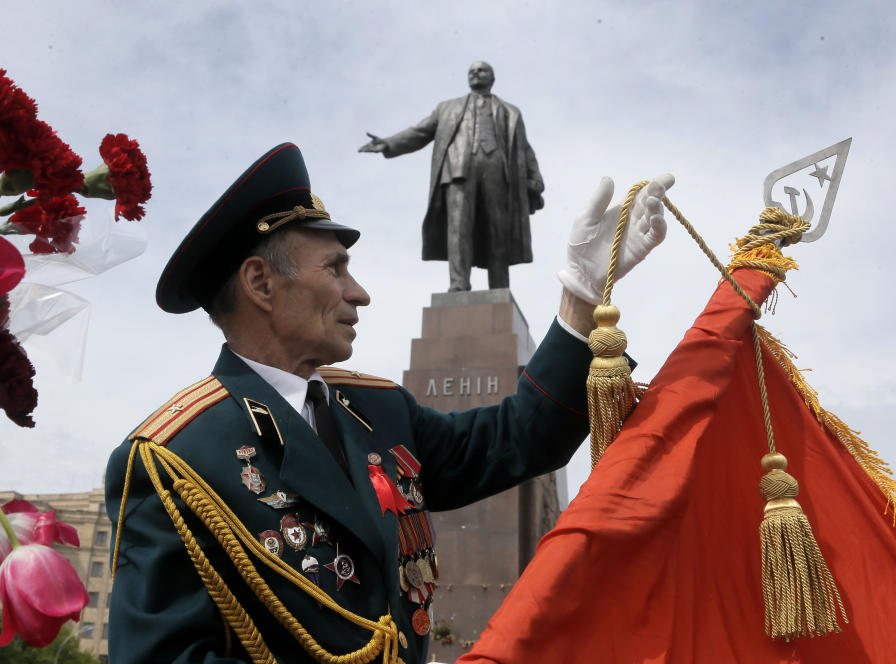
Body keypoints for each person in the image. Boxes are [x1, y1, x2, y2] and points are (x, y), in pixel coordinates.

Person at [105, 142, 674, 664]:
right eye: (335, 268)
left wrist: (579, 296)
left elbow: (523, 437)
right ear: (260, 283)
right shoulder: (173, 460)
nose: (360, 293)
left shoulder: (378, 410)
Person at [360, 61, 543, 292]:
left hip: (498, 171)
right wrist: (388, 144)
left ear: (492, 78)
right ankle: (458, 285)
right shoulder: (447, 108)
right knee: (458, 229)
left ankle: (499, 289)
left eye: (482, 70)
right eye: (471, 71)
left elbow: (524, 148)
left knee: (498, 231)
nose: (476, 72)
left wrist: (535, 176)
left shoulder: (511, 112)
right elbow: (420, 132)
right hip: (457, 170)